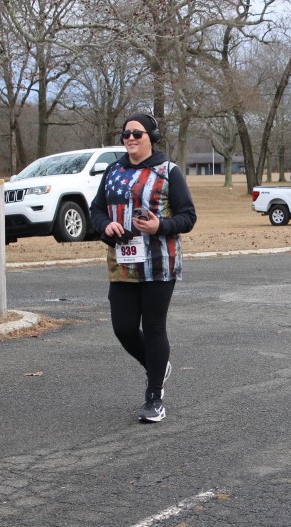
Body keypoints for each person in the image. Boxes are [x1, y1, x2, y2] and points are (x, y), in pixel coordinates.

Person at [89, 113, 197, 423]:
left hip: (159, 263)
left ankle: (154, 396)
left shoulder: (168, 172)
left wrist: (159, 226)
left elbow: (188, 217)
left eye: (137, 133)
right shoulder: (113, 171)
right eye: (126, 134)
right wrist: (105, 225)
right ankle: (157, 366)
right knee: (123, 328)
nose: (130, 138)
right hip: (122, 262)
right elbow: (96, 209)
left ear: (152, 137)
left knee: (153, 327)